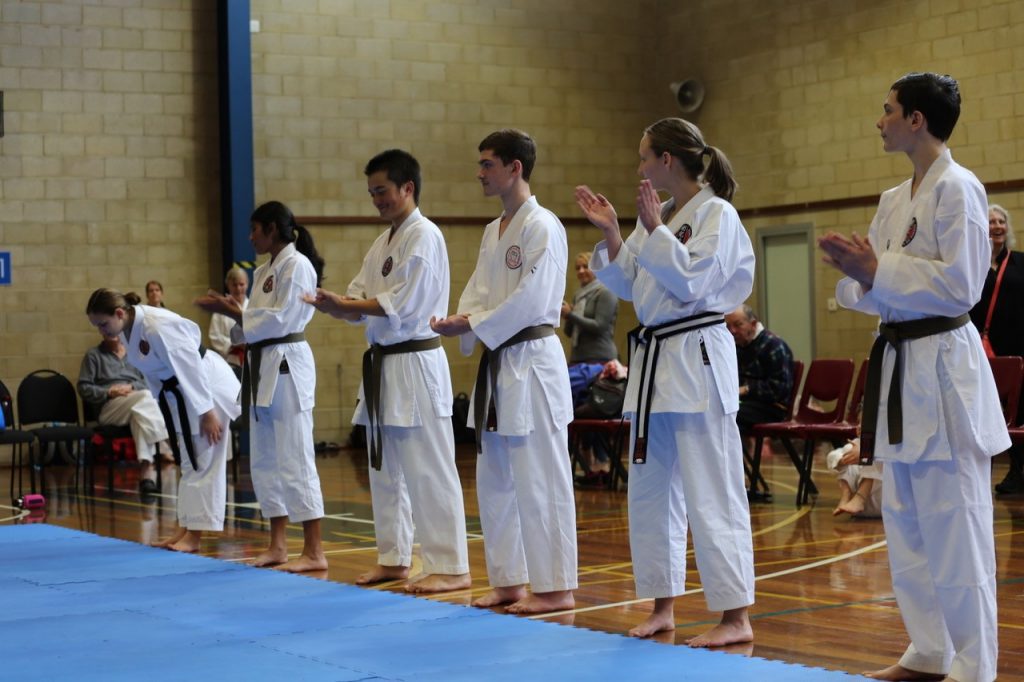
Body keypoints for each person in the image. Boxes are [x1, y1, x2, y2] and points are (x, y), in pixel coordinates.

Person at [819, 72, 1009, 682]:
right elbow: (867, 289)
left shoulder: (961, 189)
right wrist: (863, 274)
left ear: (917, 120)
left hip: (944, 366)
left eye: (888, 111)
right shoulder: (892, 200)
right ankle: (928, 651)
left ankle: (974, 666)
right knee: (905, 523)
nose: (880, 121)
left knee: (957, 526)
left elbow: (963, 285)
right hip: (898, 367)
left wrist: (882, 270)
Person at [576, 116, 755, 647]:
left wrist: (652, 231)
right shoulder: (667, 215)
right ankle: (663, 605)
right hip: (655, 362)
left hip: (697, 356)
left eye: (644, 157)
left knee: (712, 491)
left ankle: (735, 616)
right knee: (651, 491)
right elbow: (632, 282)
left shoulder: (716, 214)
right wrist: (613, 232)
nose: (640, 167)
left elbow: (693, 279)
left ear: (667, 161)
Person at [305, 149, 471, 594]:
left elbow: (404, 303)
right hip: (383, 366)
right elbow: (359, 303)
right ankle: (395, 558)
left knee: (429, 468)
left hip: (416, 361)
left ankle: (452, 565)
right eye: (371, 192)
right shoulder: (383, 243)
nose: (376, 200)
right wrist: (332, 305)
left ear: (407, 188)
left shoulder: (424, 236)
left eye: (382, 191)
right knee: (386, 469)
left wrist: (347, 305)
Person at [431, 129, 578, 615]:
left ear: (515, 168)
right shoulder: (493, 230)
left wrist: (473, 322)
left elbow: (535, 299)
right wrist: (461, 319)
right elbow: (478, 289)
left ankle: (555, 586)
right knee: (495, 477)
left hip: (531, 359)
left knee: (540, 477)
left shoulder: (543, 226)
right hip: (499, 364)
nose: (480, 173)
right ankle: (510, 580)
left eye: (487, 164)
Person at [196, 200, 328, 573]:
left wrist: (236, 312)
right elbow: (251, 326)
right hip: (261, 362)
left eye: (256, 229)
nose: (251, 236)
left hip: (287, 362)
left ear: (272, 229)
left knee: (296, 455)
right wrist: (235, 314)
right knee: (266, 458)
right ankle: (278, 544)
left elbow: (283, 318)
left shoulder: (297, 265)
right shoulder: (265, 269)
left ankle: (314, 550)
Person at [85, 289, 240, 552]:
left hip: (208, 388)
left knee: (203, 460)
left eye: (103, 323)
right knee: (188, 460)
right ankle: (185, 528)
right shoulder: (127, 331)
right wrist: (162, 410)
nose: (101, 330)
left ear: (119, 313)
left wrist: (207, 412)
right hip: (179, 393)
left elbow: (191, 365)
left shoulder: (156, 327)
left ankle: (195, 536)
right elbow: (152, 376)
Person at [968, 204, 1024, 494]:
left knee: (1021, 410)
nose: (997, 226)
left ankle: (1018, 469)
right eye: (991, 221)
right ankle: (1009, 471)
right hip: (981, 350)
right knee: (993, 413)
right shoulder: (971, 263)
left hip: (1018, 349)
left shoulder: (1020, 261)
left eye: (1002, 221)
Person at [77, 330, 170, 494]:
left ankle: (146, 473)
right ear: (101, 331)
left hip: (136, 402)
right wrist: (108, 391)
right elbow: (84, 388)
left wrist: (132, 387)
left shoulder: (135, 355)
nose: (111, 333)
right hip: (109, 407)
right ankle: (166, 442)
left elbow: (149, 382)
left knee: (140, 412)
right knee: (145, 398)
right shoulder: (93, 355)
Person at [562, 251, 619, 485]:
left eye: (586, 267)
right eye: (577, 268)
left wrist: (571, 315)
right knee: (576, 411)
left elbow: (598, 326)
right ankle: (587, 467)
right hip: (578, 359)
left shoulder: (605, 292)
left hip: (599, 361)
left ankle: (603, 463)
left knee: (594, 408)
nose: (581, 272)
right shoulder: (580, 295)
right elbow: (570, 332)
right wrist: (567, 317)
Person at [724, 304, 795, 434]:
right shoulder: (737, 346)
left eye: (738, 324)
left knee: (726, 415)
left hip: (773, 408)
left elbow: (779, 389)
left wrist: (746, 389)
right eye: (728, 326)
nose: (732, 331)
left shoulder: (773, 345)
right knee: (717, 412)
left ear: (753, 324)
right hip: (747, 404)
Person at [208, 266, 250, 377]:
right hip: (230, 359)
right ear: (228, 286)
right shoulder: (221, 309)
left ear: (247, 284)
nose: (238, 288)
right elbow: (214, 336)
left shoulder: (253, 306)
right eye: (234, 285)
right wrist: (234, 344)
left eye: (241, 284)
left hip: (252, 356)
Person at [827, 438, 882, 518]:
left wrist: (866, 452)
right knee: (846, 450)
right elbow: (831, 457)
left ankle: (860, 497)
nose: (859, 427)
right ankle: (847, 494)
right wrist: (844, 460)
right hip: (857, 507)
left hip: (883, 504)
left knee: (880, 454)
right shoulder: (857, 443)